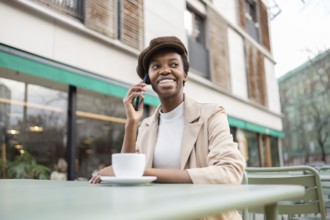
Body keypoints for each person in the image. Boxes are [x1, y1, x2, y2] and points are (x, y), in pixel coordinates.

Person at [89, 36, 245, 220]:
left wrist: (138, 173)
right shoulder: (146, 126)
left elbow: (230, 172)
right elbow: (128, 178)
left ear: (185, 74)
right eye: (156, 67)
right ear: (148, 80)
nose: (164, 71)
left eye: (173, 65)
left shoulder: (212, 115)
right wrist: (132, 123)